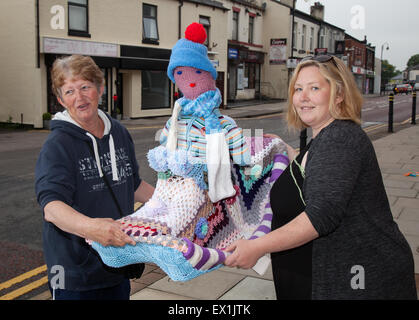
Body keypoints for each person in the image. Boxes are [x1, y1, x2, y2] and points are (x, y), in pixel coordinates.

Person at [224, 55, 417, 300]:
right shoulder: (326, 139)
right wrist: (284, 150)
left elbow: (320, 215)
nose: (303, 97)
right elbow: (315, 171)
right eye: (298, 89)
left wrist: (256, 247)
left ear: (338, 94)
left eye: (314, 88)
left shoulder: (340, 140)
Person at [35, 55, 154, 300]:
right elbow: (52, 208)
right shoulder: (57, 145)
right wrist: (92, 228)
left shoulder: (119, 133)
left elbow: (133, 184)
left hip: (117, 264)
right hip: (73, 273)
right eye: (69, 91)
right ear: (60, 100)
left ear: (100, 89)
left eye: (85, 87)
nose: (79, 98)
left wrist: (177, 204)